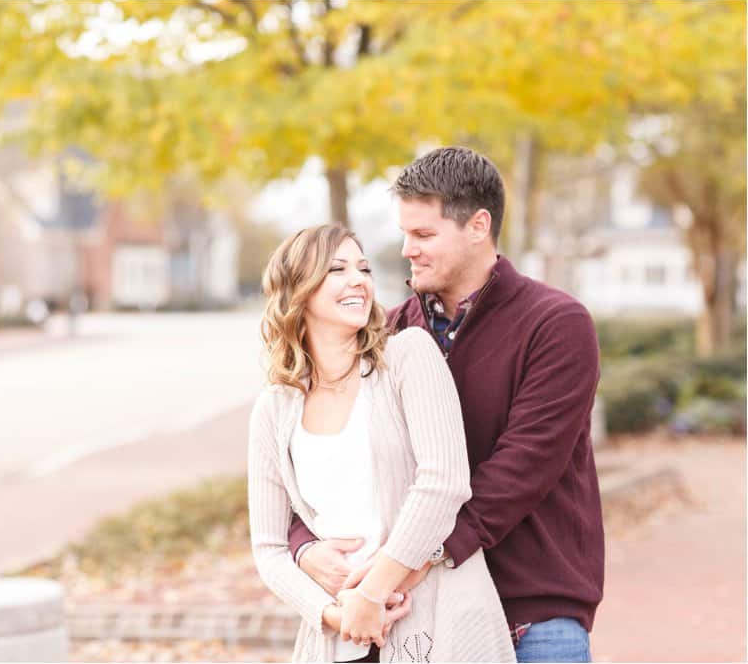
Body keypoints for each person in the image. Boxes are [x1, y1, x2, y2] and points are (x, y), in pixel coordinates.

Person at [288, 147, 604, 663]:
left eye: (425, 235)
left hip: (530, 607)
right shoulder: (389, 332)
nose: (408, 249)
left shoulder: (555, 325)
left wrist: (417, 556)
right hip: (418, 609)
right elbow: (322, 455)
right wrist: (307, 546)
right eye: (405, 233)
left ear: (478, 226)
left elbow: (524, 466)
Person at [248, 224, 515, 663]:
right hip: (340, 639)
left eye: (364, 267)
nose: (358, 279)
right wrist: (335, 614)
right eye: (337, 269)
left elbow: (444, 483)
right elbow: (270, 549)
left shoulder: (409, 356)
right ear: (296, 291)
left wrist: (372, 593)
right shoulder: (274, 408)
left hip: (434, 618)